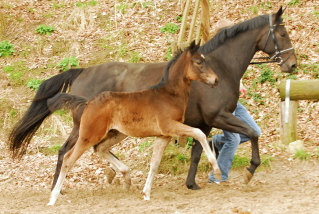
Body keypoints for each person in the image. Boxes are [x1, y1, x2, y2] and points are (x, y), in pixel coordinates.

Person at [208, 81, 261, 184]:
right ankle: (217, 177)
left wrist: (240, 84)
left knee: (254, 131)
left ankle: (217, 142)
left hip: (233, 101)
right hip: (222, 101)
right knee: (233, 140)